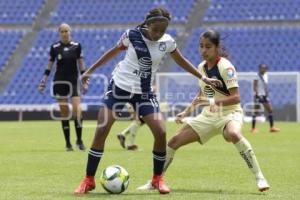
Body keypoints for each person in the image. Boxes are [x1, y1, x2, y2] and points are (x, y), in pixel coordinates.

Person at [74, 7, 221, 195]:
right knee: (102, 129)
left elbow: (181, 60)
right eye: (155, 30)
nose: (159, 34)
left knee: (160, 131)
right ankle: (88, 180)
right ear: (147, 24)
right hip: (119, 88)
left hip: (144, 93)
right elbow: (112, 52)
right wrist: (89, 71)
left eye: (163, 30)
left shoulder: (167, 42)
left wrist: (204, 77)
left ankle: (158, 179)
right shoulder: (131, 35)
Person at [138, 29, 270, 192]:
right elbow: (203, 93)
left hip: (230, 113)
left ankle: (260, 177)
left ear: (216, 47)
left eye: (208, 47)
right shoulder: (201, 67)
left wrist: (212, 101)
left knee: (234, 134)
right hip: (208, 115)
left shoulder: (226, 67)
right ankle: (155, 182)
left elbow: (236, 98)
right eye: (201, 46)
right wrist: (186, 112)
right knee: (173, 142)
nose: (203, 51)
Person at [38, 23, 87, 151]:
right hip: (60, 82)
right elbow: (49, 65)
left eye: (67, 31)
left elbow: (81, 64)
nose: (65, 33)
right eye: (62, 31)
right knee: (64, 112)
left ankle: (79, 140)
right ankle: (68, 143)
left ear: (70, 32)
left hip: (73, 81)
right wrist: (43, 80)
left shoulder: (77, 46)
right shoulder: (55, 47)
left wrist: (85, 80)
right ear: (59, 33)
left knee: (77, 110)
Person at [251, 64, 280, 133]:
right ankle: (253, 128)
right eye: (262, 68)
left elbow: (265, 85)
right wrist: (257, 94)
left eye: (264, 68)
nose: (263, 69)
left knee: (270, 110)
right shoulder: (256, 76)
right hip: (258, 96)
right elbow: (255, 86)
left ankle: (272, 127)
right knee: (256, 111)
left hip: (264, 96)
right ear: (259, 68)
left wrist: (267, 92)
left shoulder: (266, 75)